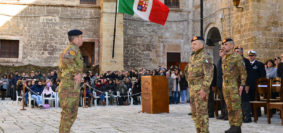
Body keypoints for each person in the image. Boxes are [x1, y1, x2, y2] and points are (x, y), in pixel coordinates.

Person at [184, 36, 213, 133]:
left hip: (201, 89)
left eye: (195, 44)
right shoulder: (193, 57)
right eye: (192, 44)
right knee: (195, 114)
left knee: (202, 114)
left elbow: (209, 74)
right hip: (192, 88)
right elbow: (188, 72)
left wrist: (204, 89)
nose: (192, 46)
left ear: (201, 45)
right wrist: (189, 85)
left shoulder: (206, 56)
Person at [58, 29, 84, 133]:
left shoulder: (74, 49)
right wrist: (75, 74)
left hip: (71, 86)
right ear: (76, 38)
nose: (82, 39)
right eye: (81, 37)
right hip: (69, 87)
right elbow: (66, 60)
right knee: (68, 113)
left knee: (71, 113)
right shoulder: (72, 48)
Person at [222, 38, 247, 133]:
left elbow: (243, 72)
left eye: (226, 44)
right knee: (229, 106)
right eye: (223, 44)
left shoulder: (237, 57)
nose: (224, 46)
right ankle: (232, 125)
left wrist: (242, 85)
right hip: (225, 85)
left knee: (236, 106)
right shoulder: (224, 57)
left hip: (234, 85)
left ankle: (237, 126)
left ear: (232, 46)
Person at [234, 47, 253, 123]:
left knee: (245, 100)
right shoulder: (234, 61)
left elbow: (249, 73)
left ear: (241, 52)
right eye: (235, 51)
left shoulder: (246, 61)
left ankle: (248, 116)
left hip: (244, 84)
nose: (236, 53)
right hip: (236, 84)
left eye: (238, 51)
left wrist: (247, 84)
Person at [216, 48, 228, 120]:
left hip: (226, 83)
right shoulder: (219, 60)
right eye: (219, 51)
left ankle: (227, 114)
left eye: (221, 51)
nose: (220, 53)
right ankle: (223, 113)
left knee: (226, 100)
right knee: (222, 100)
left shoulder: (226, 60)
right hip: (220, 83)